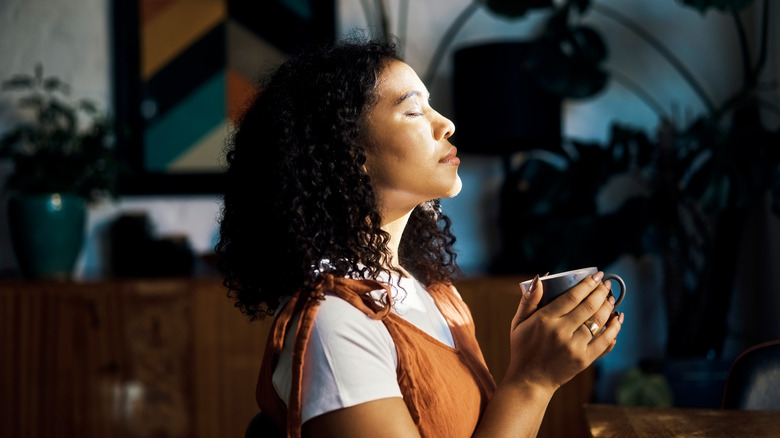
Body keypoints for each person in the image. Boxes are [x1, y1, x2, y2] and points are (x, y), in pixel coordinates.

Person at [216, 35, 624, 438]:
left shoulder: (436, 295)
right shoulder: (333, 325)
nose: (445, 124)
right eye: (413, 112)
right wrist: (533, 381)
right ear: (349, 154)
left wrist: (537, 370)